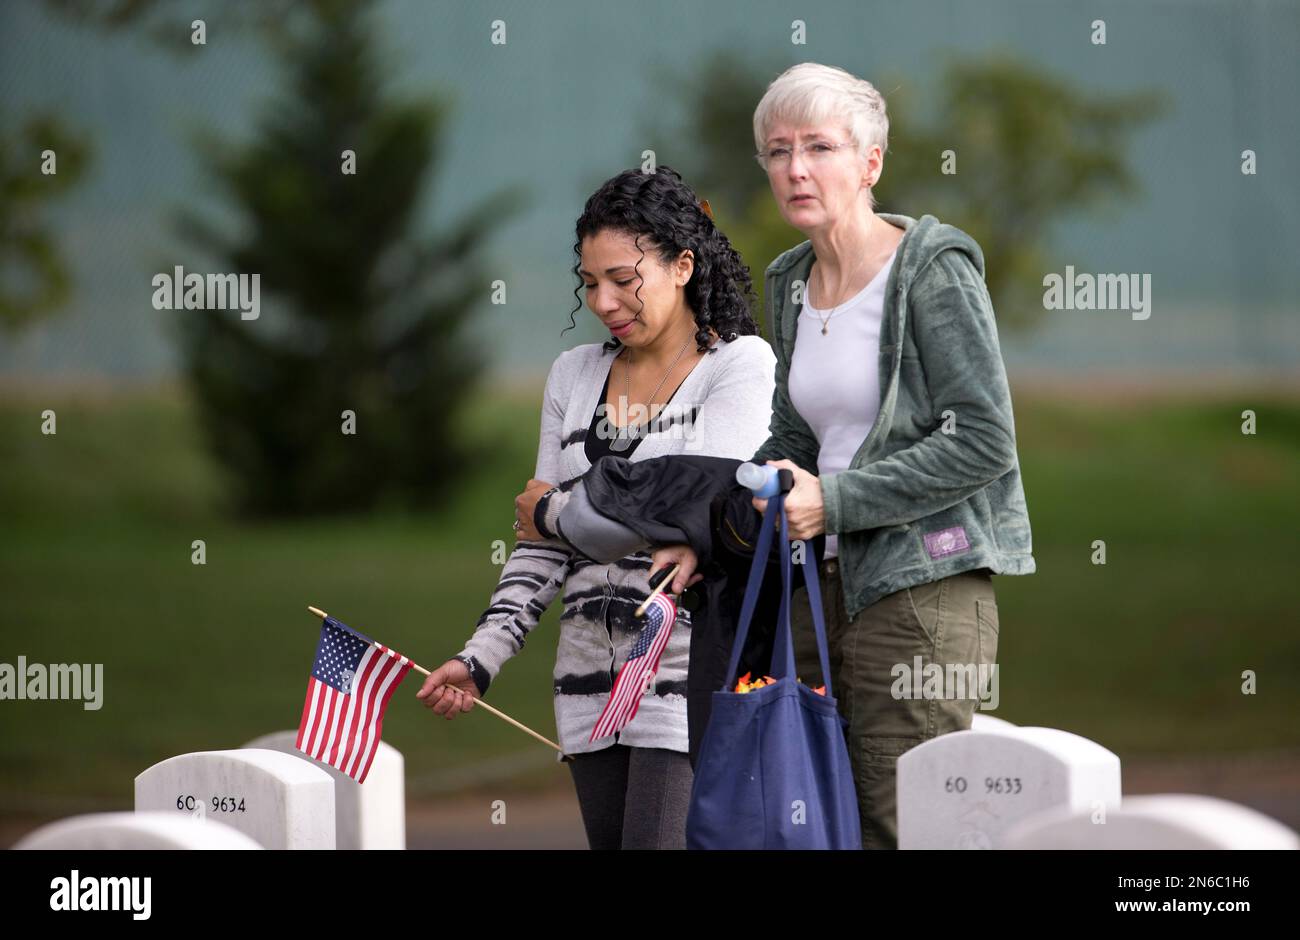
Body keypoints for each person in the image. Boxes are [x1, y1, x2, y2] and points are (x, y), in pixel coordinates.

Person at [652, 62, 1036, 849]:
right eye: (778, 150)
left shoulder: (931, 270)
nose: (795, 168)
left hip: (923, 589)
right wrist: (708, 533)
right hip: (815, 589)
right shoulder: (793, 278)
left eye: (819, 147)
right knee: (814, 816)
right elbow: (794, 440)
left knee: (900, 824)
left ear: (870, 163)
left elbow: (985, 439)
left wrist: (835, 502)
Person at [416, 166, 775, 849]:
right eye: (589, 282)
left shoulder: (741, 366)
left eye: (623, 278)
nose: (604, 300)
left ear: (683, 266)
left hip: (687, 675)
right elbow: (541, 544)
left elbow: (699, 508)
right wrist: (480, 657)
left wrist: (561, 509)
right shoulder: (574, 374)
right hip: (585, 687)